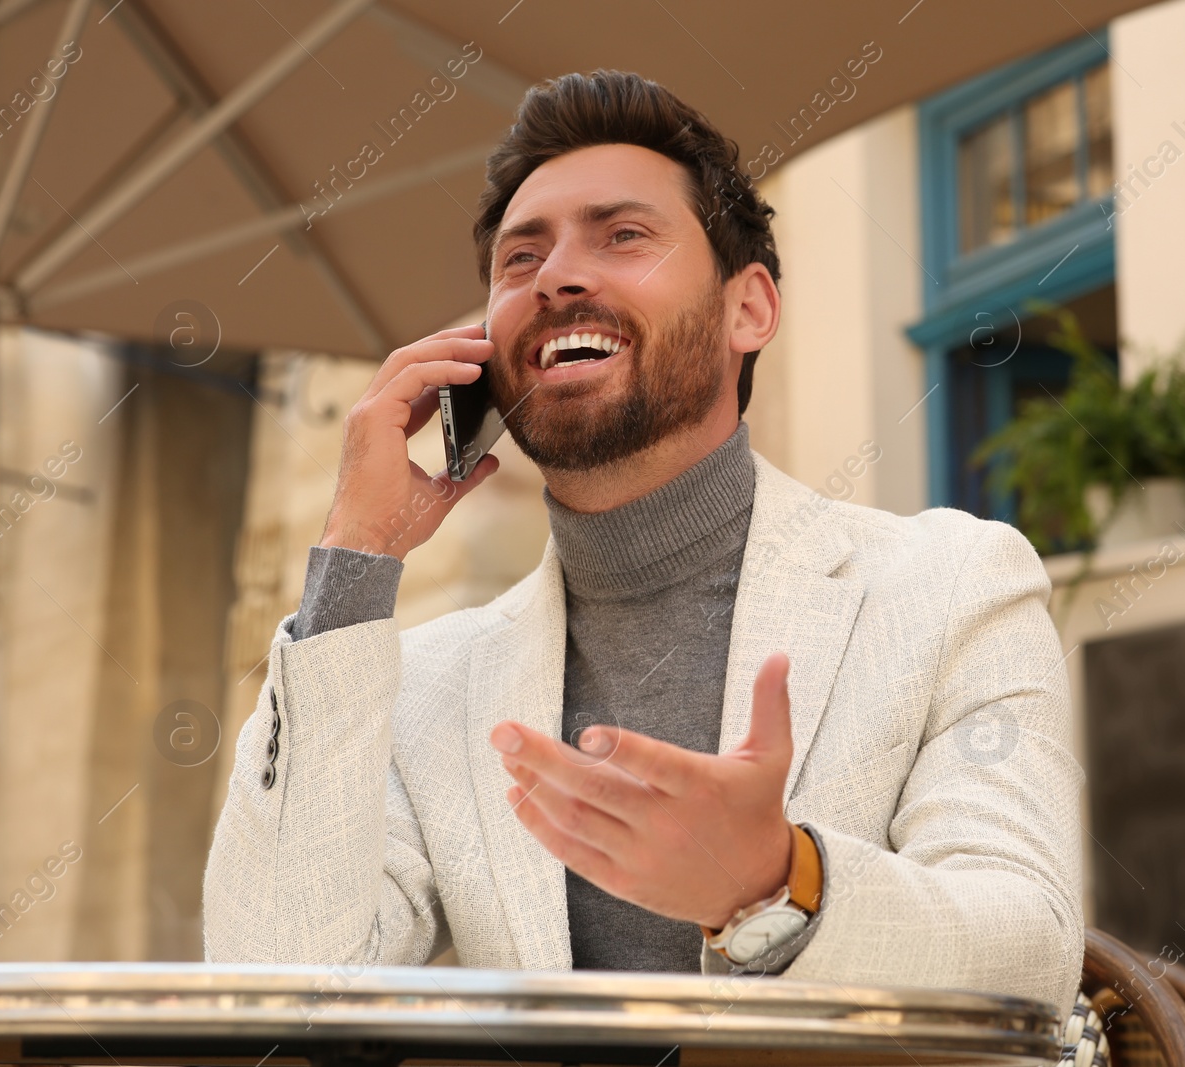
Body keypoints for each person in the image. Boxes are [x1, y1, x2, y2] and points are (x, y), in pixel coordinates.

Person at [203, 69, 1082, 1010]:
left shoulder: (952, 585)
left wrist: (776, 883)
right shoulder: (429, 683)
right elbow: (279, 980)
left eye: (623, 235)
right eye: (519, 259)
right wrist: (356, 552)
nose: (558, 276)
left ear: (750, 309)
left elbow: (1027, 948)